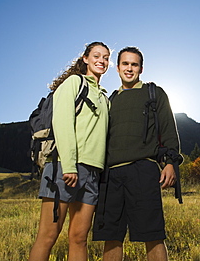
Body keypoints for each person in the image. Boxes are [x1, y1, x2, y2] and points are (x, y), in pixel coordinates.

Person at [92, 46, 181, 261]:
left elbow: (169, 129)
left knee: (153, 234)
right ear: (117, 67)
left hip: (143, 170)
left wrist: (170, 163)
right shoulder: (109, 100)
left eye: (134, 64)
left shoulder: (154, 93)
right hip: (111, 175)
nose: (129, 69)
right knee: (111, 237)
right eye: (125, 64)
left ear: (141, 68)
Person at [29, 41, 111, 261]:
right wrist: (70, 165)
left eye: (105, 57)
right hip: (63, 168)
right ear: (85, 59)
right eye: (96, 56)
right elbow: (62, 123)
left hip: (93, 173)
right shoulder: (74, 83)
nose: (101, 61)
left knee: (79, 238)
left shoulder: (104, 97)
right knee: (48, 236)